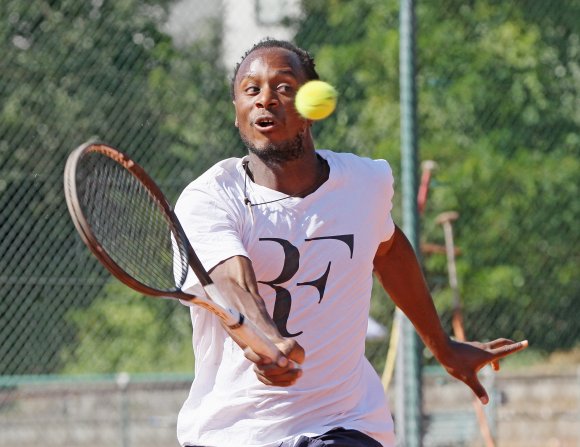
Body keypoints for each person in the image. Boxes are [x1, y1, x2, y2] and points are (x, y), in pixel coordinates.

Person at [174, 38, 527, 447]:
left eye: (284, 87)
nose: (265, 99)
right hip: (234, 433)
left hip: (344, 423)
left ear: (311, 107)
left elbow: (388, 249)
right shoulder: (209, 198)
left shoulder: (365, 183)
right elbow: (233, 281)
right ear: (236, 113)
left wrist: (443, 347)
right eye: (250, 90)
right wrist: (264, 337)